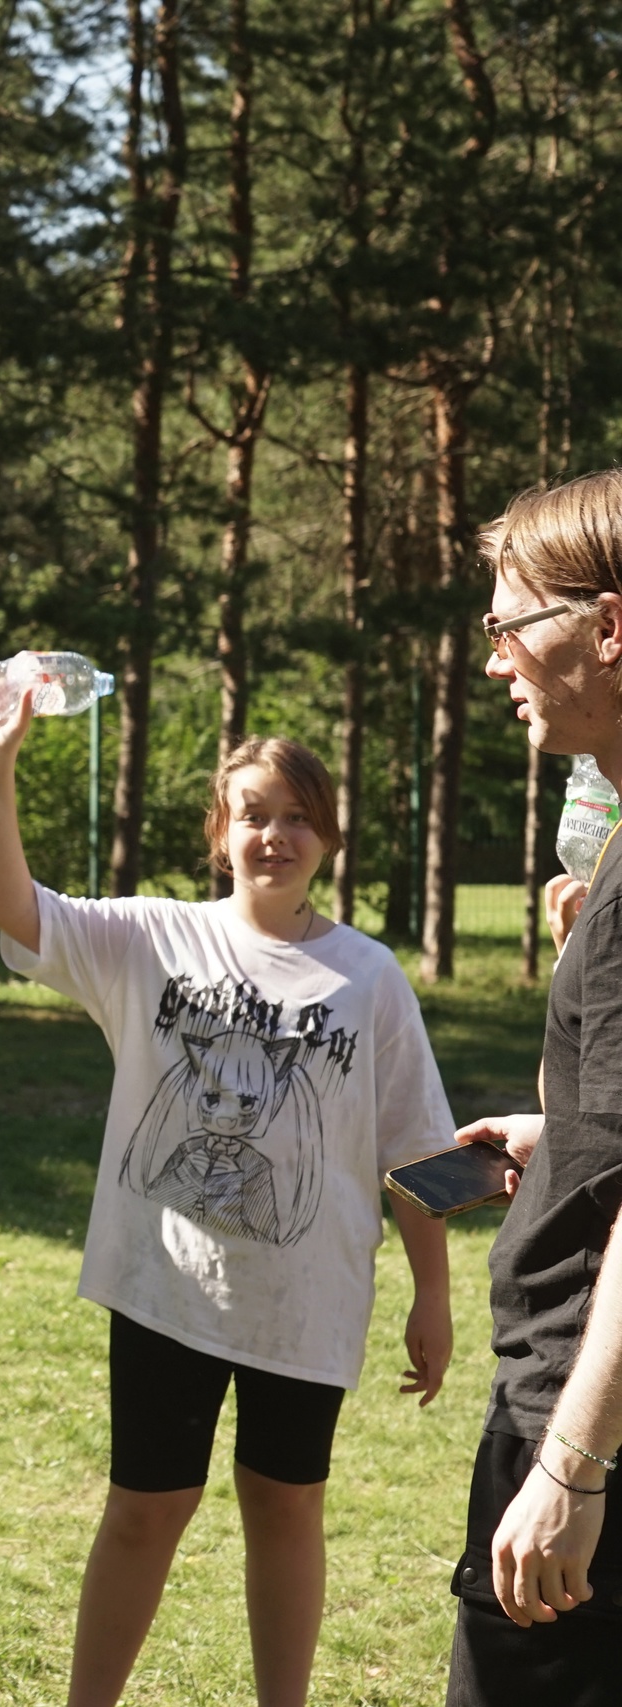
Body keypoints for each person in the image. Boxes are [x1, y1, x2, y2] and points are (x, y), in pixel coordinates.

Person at [0, 706, 455, 1707]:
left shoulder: (370, 978)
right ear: (219, 832)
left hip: (303, 1304)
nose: (274, 835)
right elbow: (11, 907)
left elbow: (418, 1148)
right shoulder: (155, 938)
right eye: (252, 814)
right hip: (167, 1294)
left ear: (328, 835)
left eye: (297, 816)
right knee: (145, 1510)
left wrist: (433, 1295)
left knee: (285, 1506)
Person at [449, 474, 622, 1703]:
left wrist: (570, 1464)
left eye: (510, 624)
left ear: (607, 629)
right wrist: (561, 1141)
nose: (495, 656)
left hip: (582, 1409)